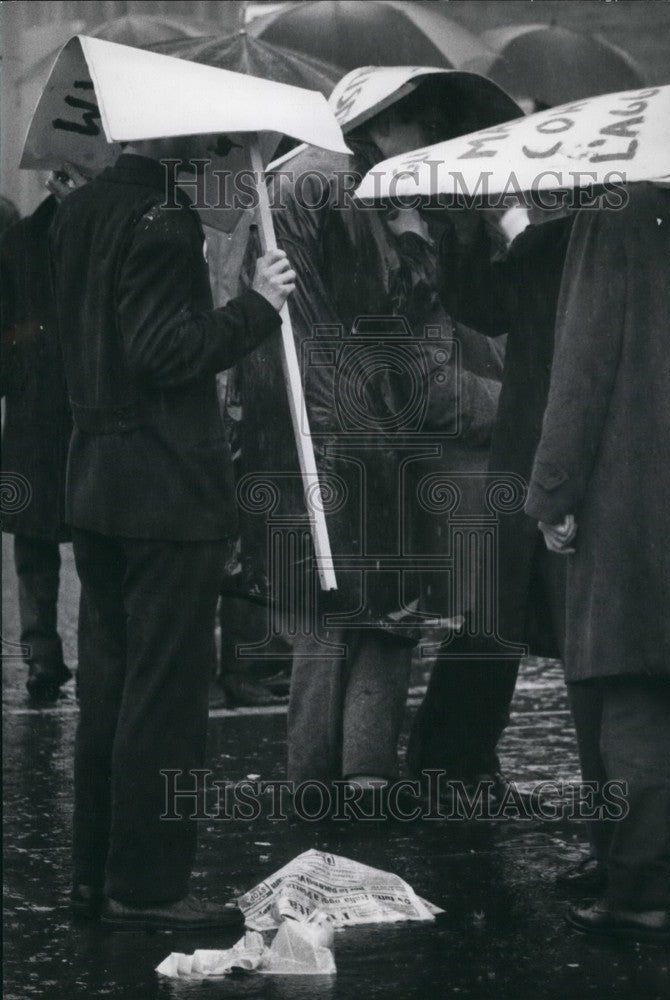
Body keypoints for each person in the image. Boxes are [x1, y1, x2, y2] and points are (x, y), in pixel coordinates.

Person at [238, 74, 511, 804]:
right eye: (431, 129)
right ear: (398, 125)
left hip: (296, 431)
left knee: (324, 619)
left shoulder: (296, 176)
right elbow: (404, 352)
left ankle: (325, 789)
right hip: (361, 433)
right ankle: (357, 784)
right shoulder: (358, 190)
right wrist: (420, 248)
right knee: (382, 617)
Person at [49, 139, 295, 930]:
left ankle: (95, 874)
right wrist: (259, 304)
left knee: (110, 692)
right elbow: (166, 351)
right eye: (212, 145)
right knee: (164, 699)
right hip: (165, 492)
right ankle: (148, 885)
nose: (218, 155)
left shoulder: (80, 209)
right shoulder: (163, 218)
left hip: (98, 482)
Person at [525, 182, 670, 941]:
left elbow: (583, 362)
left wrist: (553, 491)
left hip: (636, 497)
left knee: (637, 694)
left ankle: (646, 893)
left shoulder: (614, 214)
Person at [408, 205, 578, 809]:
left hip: (521, 458)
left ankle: (457, 760)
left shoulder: (529, 238)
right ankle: (449, 761)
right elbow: (432, 383)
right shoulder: (443, 256)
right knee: (502, 617)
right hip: (486, 472)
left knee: (510, 616)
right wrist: (527, 401)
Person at [0, 170, 84, 702]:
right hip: (80, 403)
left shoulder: (18, 240)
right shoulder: (98, 233)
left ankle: (41, 657)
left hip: (33, 410)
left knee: (35, 542)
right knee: (95, 536)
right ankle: (86, 658)